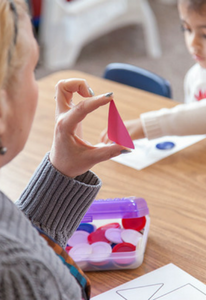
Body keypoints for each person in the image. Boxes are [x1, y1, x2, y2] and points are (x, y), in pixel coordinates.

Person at [0, 0, 127, 299]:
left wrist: (62, 170)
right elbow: (27, 266)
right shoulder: (19, 273)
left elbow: (20, 238)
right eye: (32, 69)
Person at [100, 0, 206, 143]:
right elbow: (195, 122)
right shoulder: (195, 75)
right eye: (186, 29)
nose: (193, 43)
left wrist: (147, 125)